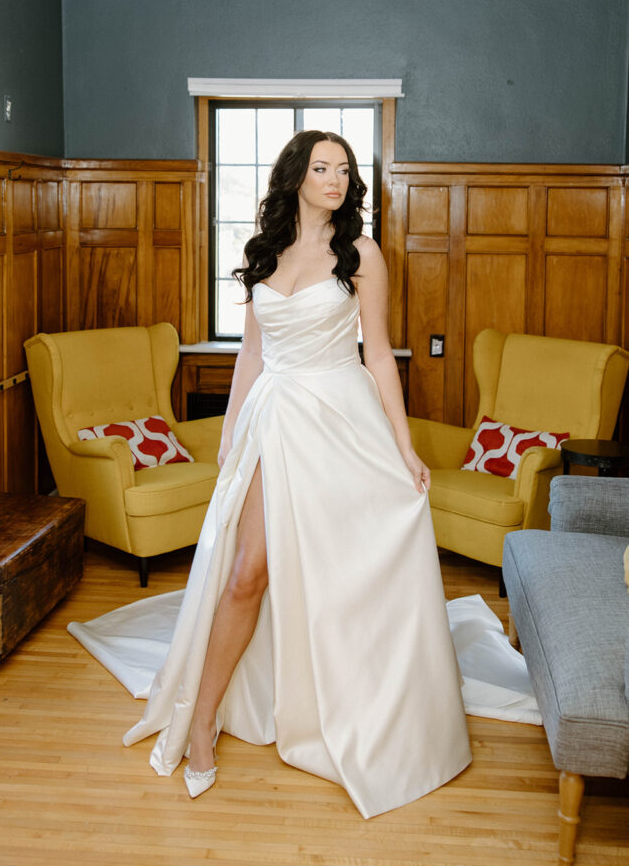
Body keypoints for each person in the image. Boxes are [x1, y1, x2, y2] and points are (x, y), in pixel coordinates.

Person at [122, 129, 472, 817]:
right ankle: (202, 723)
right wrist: (230, 436)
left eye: (344, 169)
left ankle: (353, 702)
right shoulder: (262, 253)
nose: (336, 179)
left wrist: (403, 447)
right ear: (296, 177)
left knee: (339, 571)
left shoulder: (362, 254)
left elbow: (378, 357)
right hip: (273, 422)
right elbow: (251, 354)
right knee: (248, 570)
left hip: (342, 423)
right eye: (321, 168)